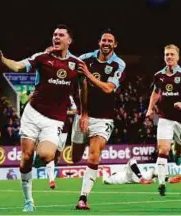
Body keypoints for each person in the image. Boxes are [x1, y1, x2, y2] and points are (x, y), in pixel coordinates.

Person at [0, 24, 89, 212]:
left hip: (55, 119)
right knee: (25, 159)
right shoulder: (42, 58)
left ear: (70, 40)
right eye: (54, 34)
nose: (56, 38)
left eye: (61, 35)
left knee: (46, 155)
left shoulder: (77, 64)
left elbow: (83, 88)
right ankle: (29, 201)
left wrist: (84, 112)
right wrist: (2, 59)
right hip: (33, 114)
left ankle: (37, 160)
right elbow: (19, 66)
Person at [68, 28, 126, 210]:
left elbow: (108, 88)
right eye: (104, 40)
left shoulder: (119, 64)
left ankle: (83, 198)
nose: (106, 43)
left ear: (115, 45)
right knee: (75, 158)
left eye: (110, 41)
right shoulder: (85, 58)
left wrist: (88, 74)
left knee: (94, 156)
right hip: (83, 115)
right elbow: (67, 62)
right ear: (99, 43)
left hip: (104, 118)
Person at [146, 44, 181, 196]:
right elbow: (156, 92)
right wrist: (150, 108)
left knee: (178, 151)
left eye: (171, 54)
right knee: (163, 149)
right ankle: (162, 184)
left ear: (177, 57)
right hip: (165, 118)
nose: (169, 57)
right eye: (166, 55)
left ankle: (178, 154)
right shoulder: (159, 75)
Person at [44, 95, 78, 190]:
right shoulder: (48, 96)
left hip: (64, 129)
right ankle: (51, 180)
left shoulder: (68, 97)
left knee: (58, 155)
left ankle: (50, 170)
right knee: (51, 153)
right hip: (50, 127)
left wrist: (64, 112)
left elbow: (75, 111)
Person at [102, 158, 181, 185]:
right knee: (132, 160)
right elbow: (106, 180)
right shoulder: (113, 178)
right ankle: (141, 179)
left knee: (153, 172)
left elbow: (105, 180)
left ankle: (168, 179)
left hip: (136, 176)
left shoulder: (114, 177)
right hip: (130, 177)